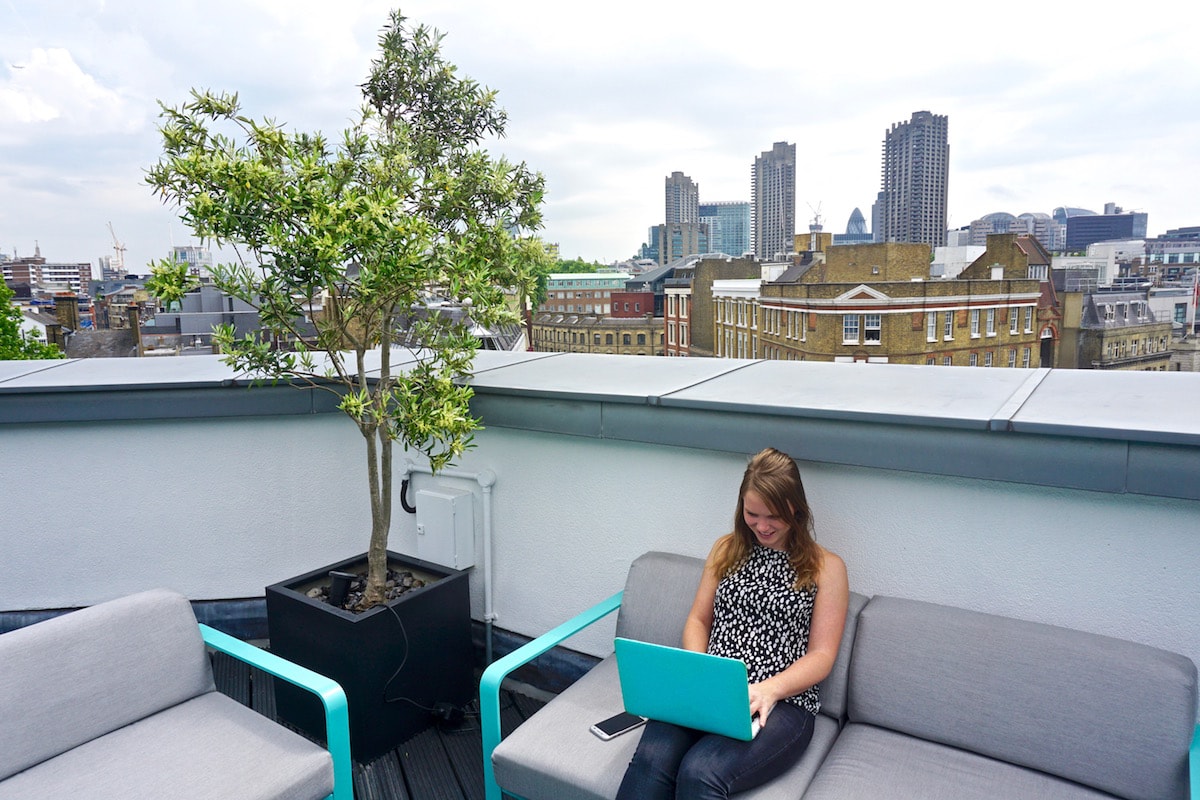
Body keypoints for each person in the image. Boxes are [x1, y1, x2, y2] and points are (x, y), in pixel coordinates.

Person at [616, 447, 849, 800]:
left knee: (701, 772)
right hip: (713, 688)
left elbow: (822, 655)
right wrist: (699, 669)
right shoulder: (726, 548)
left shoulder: (826, 567)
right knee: (651, 759)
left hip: (785, 703)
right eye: (752, 514)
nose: (762, 526)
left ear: (796, 509)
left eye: (774, 517)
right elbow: (698, 619)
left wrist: (768, 690)